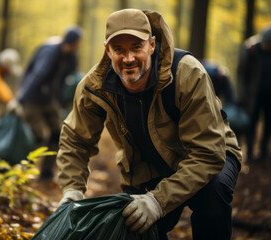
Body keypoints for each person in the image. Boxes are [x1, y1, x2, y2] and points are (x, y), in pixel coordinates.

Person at [56, 9, 242, 240]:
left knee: (213, 195)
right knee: (132, 224)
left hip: (209, 156)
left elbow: (207, 154)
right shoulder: (94, 86)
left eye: (136, 47)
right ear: (107, 50)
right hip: (146, 167)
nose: (128, 58)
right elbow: (75, 140)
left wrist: (158, 200)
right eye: (119, 50)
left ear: (152, 45)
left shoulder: (188, 72)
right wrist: (72, 189)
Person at [16, 26, 82, 179]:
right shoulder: (51, 52)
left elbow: (70, 78)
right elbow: (37, 75)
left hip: (49, 100)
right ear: (73, 41)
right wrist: (20, 98)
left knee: (57, 133)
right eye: (78, 42)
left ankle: (46, 171)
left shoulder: (70, 55)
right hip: (32, 98)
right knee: (36, 136)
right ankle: (23, 171)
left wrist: (63, 101)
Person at [237, 27, 271, 162]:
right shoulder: (251, 50)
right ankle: (250, 152)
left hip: (269, 96)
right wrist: (241, 95)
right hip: (253, 96)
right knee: (251, 123)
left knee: (269, 123)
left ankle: (263, 151)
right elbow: (241, 73)